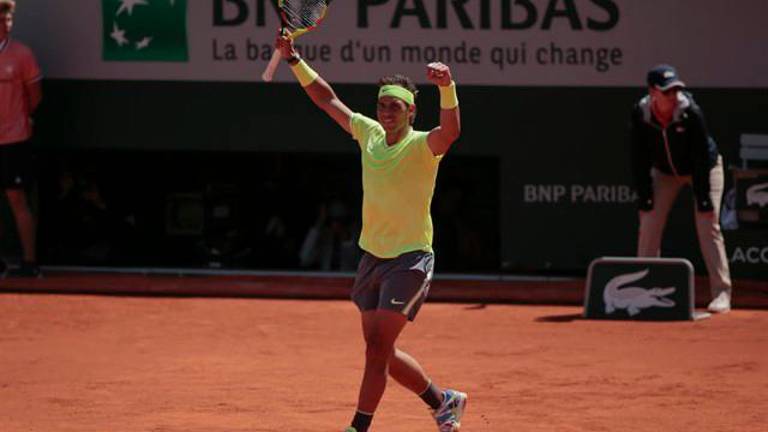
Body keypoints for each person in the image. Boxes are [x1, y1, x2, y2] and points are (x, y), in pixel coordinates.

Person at [275, 33, 467, 432]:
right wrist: (294, 60)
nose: (386, 113)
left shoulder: (422, 145)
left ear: (411, 111)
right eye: (381, 105)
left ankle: (358, 427)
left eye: (394, 107)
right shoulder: (368, 133)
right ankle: (442, 401)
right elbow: (326, 98)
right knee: (380, 350)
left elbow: (450, 133)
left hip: (411, 258)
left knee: (378, 348)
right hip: (372, 257)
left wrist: (447, 87)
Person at [630, 64, 732, 313]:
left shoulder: (690, 113)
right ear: (652, 92)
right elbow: (638, 157)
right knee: (649, 222)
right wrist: (645, 196)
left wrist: (703, 198)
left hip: (704, 169)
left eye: (676, 90)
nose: (673, 96)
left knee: (708, 223)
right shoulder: (640, 114)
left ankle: (722, 294)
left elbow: (699, 157)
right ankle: (645, 288)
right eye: (667, 92)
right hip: (664, 172)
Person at [0, 0, 42, 277]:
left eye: (9, 19)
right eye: (2, 18)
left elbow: (35, 96)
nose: (6, 24)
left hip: (14, 140)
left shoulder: (22, 54)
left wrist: (20, 120)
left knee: (17, 200)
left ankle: (29, 263)